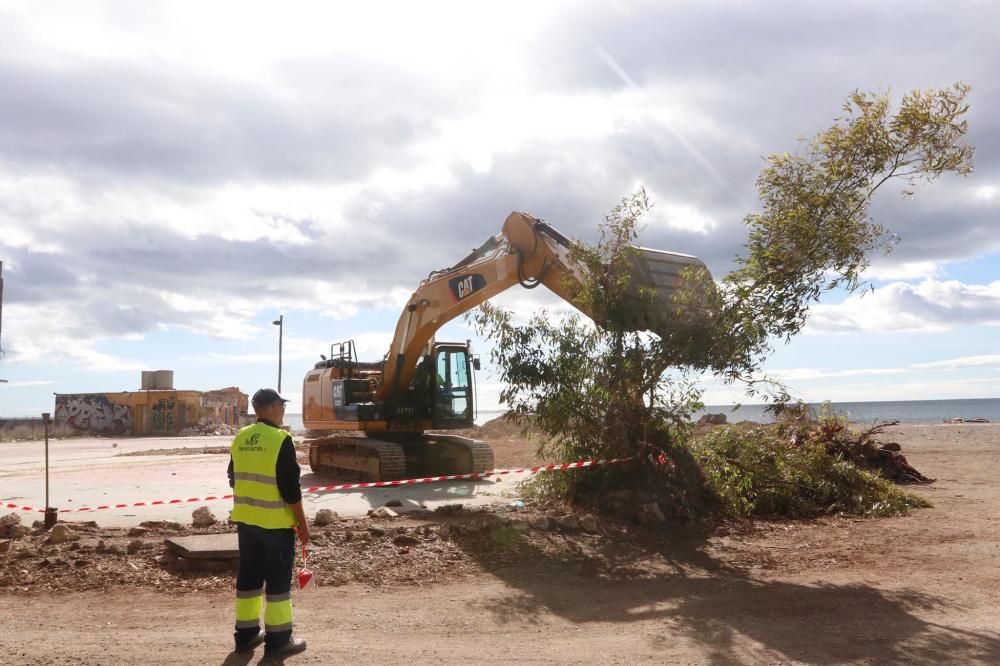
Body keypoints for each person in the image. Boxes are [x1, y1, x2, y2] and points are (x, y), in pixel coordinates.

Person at [227, 388, 310, 657]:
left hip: (247, 522)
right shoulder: (280, 439)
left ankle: (247, 636)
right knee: (277, 585)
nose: (284, 410)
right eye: (282, 405)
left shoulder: (241, 437)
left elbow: (233, 477)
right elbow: (290, 489)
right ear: (273, 407)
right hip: (275, 525)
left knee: (249, 578)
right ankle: (279, 641)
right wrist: (303, 525)